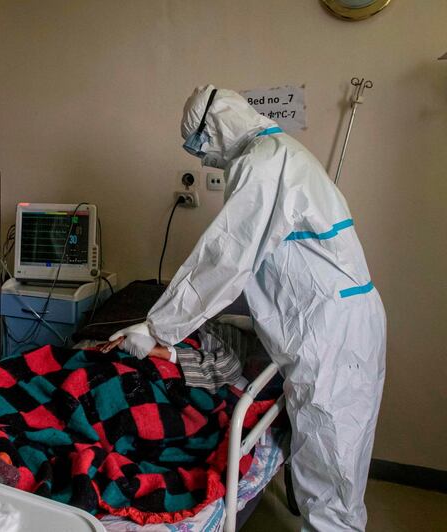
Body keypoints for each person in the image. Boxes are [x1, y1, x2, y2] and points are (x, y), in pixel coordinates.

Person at [103, 85, 386, 531]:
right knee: (337, 462)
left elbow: (226, 258)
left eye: (199, 145)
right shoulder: (282, 153)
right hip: (336, 320)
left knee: (329, 468)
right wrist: (217, 318)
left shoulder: (263, 162)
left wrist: (157, 329)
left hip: (331, 331)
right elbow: (268, 266)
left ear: (214, 127)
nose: (203, 159)